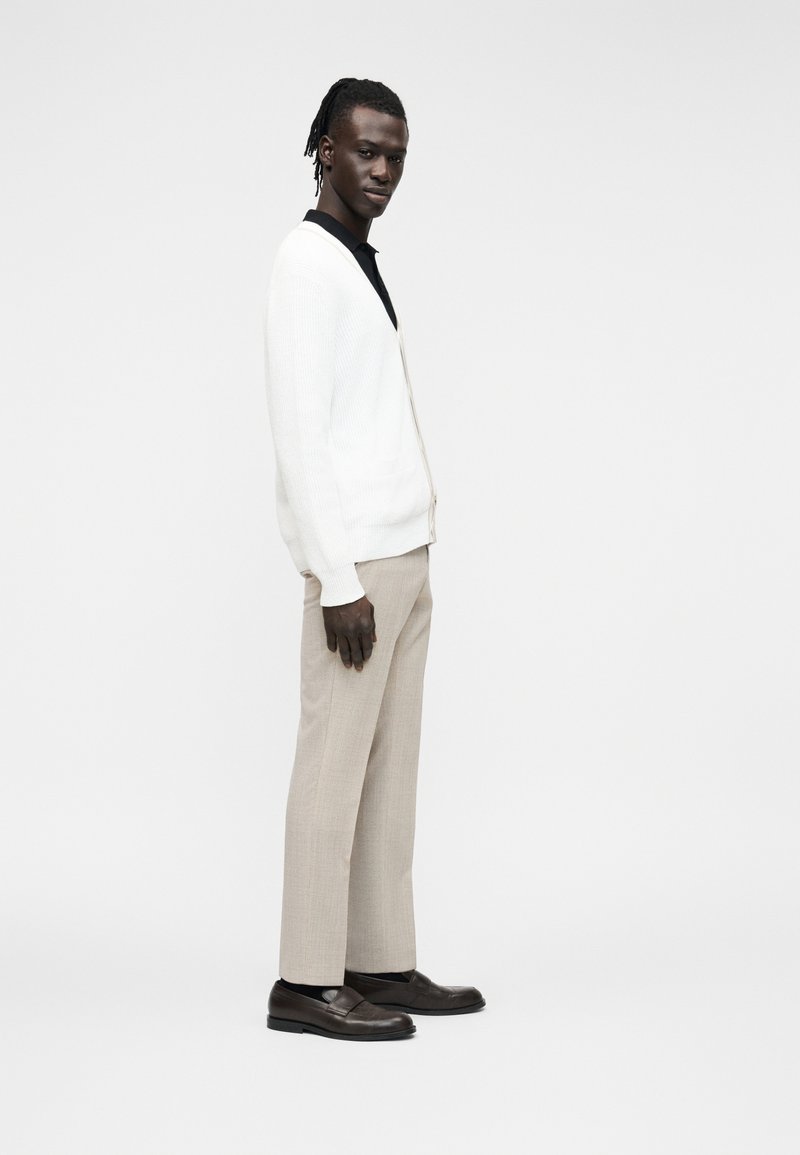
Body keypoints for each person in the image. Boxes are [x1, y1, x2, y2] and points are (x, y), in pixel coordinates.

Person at [263, 77, 485, 1041]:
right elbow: (299, 434)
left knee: (390, 772)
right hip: (357, 571)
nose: (384, 169)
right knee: (332, 771)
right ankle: (305, 980)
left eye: (396, 154)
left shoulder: (355, 260)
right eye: (366, 150)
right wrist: (338, 577)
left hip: (405, 555)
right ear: (324, 148)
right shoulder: (306, 263)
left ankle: (379, 958)